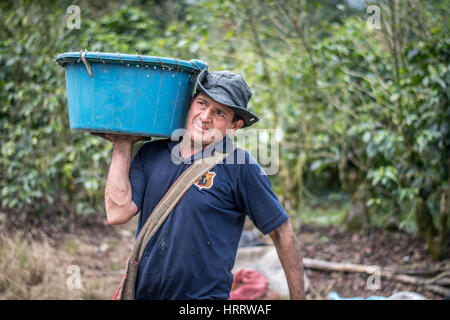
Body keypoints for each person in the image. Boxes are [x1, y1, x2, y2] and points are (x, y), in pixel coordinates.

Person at [98, 69, 306, 300]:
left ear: (235, 126)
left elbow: (282, 232)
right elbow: (117, 213)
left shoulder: (240, 166)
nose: (205, 117)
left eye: (219, 112)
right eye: (202, 103)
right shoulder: (151, 153)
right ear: (190, 103)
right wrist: (121, 144)